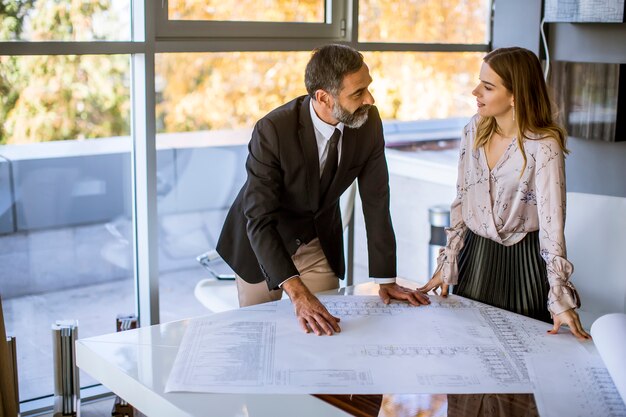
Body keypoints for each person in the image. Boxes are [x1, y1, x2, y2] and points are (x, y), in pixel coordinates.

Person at [217, 44, 429, 336]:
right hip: (262, 242)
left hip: (317, 240)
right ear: (323, 98)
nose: (370, 98)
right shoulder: (273, 130)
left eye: (368, 87)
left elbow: (376, 200)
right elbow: (259, 218)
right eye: (357, 93)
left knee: (327, 331)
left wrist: (386, 279)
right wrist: (297, 292)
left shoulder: (368, 123)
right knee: (258, 335)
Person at [419, 47, 590, 339]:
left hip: (523, 267)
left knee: (520, 363)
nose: (475, 92)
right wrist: (448, 263)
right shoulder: (473, 129)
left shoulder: (543, 145)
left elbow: (552, 226)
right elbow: (462, 200)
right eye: (479, 83)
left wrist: (559, 297)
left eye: (487, 87)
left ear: (515, 96)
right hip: (475, 260)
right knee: (470, 356)